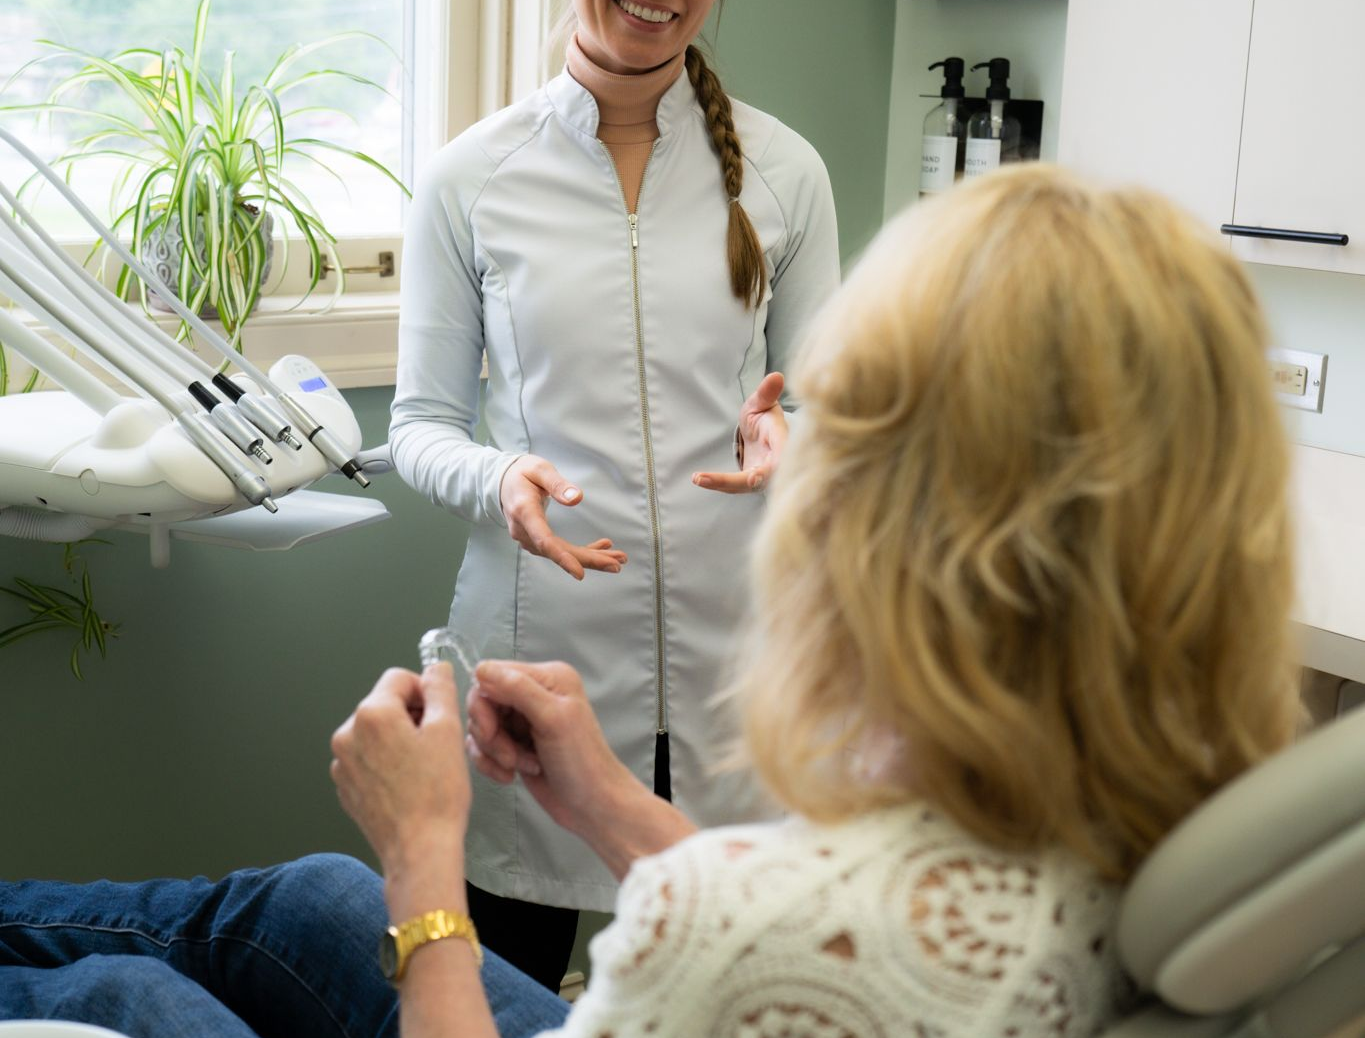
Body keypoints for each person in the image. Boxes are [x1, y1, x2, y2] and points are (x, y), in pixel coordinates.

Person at [1, 165, 1301, 1037]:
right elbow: (826, 957)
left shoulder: (718, 932)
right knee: (303, 904)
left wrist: (425, 861)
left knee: (130, 989)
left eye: (814, 426)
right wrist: (607, 803)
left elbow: (764, 944)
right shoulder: (1179, 824)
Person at [387, 0, 840, 984]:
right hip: (534, 668)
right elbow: (421, 427)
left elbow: (829, 402)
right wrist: (502, 475)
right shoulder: (471, 179)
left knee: (742, 987)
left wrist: (794, 434)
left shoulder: (787, 172)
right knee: (502, 990)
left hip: (738, 673)